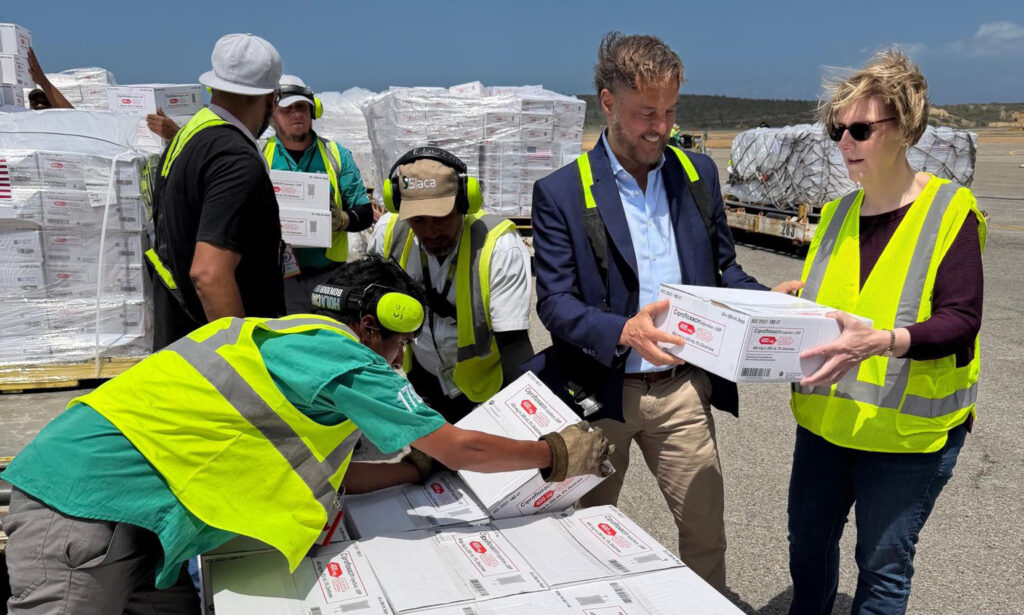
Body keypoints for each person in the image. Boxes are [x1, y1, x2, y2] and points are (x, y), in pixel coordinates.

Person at [0, 255, 613, 614]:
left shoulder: (284, 341)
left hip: (116, 509)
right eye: (401, 341)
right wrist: (553, 452)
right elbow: (460, 445)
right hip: (81, 512)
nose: (401, 357)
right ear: (375, 324)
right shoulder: (341, 355)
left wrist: (411, 472)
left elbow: (320, 469)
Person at [525, 32, 801, 592]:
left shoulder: (698, 176)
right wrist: (621, 330)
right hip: (600, 394)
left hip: (681, 391)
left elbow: (724, 273)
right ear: (607, 102)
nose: (661, 126)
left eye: (670, 110)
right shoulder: (560, 192)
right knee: (584, 536)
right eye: (646, 112)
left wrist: (767, 303)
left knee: (705, 536)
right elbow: (555, 303)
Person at [787, 48, 985, 615]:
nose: (845, 142)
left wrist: (885, 340)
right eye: (837, 130)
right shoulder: (835, 214)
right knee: (808, 550)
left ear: (906, 128)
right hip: (826, 427)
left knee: (882, 566)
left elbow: (960, 319)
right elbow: (841, 299)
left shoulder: (951, 211)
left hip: (904, 439)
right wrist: (796, 299)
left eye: (860, 129)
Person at [370, 147, 534, 423]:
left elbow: (514, 347)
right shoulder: (389, 234)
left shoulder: (499, 248)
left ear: (464, 203)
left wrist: (526, 419)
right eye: (419, 220)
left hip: (485, 388)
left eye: (442, 217)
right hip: (423, 378)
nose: (431, 231)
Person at [145, 33, 286, 350]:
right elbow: (209, 274)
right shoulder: (236, 159)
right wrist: (243, 363)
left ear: (213, 86)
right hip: (215, 362)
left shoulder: (190, 137)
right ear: (271, 98)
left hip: (181, 343)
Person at [264, 75, 375, 313]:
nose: (297, 114)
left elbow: (364, 212)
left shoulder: (336, 156)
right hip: (278, 279)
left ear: (313, 112)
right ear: (273, 115)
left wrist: (343, 219)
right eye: (288, 108)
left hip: (331, 275)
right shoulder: (259, 157)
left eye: (302, 107)